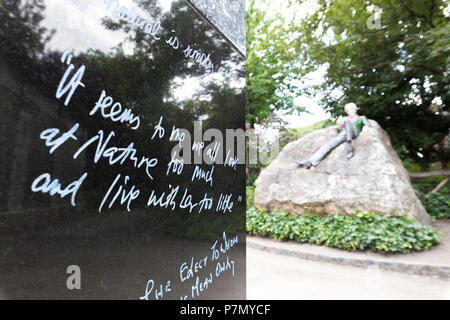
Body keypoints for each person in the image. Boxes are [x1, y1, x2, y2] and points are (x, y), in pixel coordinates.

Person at [297, 103, 370, 169]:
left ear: (355, 110)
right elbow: (338, 129)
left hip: (354, 133)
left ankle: (349, 145)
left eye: (351, 109)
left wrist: (365, 130)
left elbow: (367, 126)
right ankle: (310, 162)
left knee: (347, 122)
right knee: (328, 144)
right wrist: (340, 124)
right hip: (343, 135)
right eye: (348, 110)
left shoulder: (361, 118)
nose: (349, 111)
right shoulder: (345, 119)